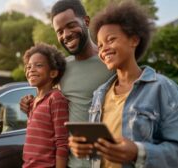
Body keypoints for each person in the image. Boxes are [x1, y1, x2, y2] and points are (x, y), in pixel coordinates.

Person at [68, 1, 178, 168]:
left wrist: (137, 152)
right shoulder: (99, 94)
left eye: (110, 40)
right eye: (100, 45)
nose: (104, 50)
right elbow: (100, 151)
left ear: (134, 40)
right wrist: (85, 148)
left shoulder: (163, 89)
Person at [20, 0, 113, 167]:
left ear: (86, 21)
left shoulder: (110, 62)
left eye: (71, 26)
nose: (66, 34)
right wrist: (29, 103)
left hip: (105, 163)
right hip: (72, 163)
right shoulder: (62, 68)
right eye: (60, 31)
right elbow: (49, 100)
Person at [22, 43, 69, 168]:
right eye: (28, 67)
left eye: (38, 65)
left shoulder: (56, 99)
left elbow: (62, 142)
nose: (31, 69)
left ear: (53, 73)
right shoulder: (32, 102)